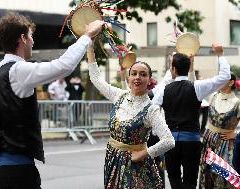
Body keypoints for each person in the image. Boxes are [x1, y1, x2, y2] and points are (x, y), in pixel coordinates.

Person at [0, 11, 104, 189]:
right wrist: (87, 36)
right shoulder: (18, 70)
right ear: (23, 38)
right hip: (17, 168)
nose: (33, 41)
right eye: (31, 36)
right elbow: (63, 66)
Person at [87, 45, 175, 188]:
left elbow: (169, 141)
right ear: (128, 77)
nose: (137, 77)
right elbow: (96, 79)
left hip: (135, 165)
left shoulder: (151, 109)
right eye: (134, 73)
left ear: (149, 80)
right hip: (113, 159)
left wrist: (143, 154)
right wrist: (90, 48)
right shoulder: (119, 96)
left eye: (143, 74)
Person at [152, 43, 231, 189]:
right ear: (189, 68)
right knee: (190, 180)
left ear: (173, 69)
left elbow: (153, 111)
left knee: (174, 178)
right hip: (191, 141)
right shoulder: (197, 87)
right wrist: (220, 54)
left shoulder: (164, 89)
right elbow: (225, 76)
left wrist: (158, 132)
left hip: (170, 141)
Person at [199, 73, 240, 189]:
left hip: (225, 144)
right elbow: (195, 87)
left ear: (231, 83)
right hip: (209, 141)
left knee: (221, 177)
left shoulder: (237, 102)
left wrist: (236, 134)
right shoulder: (213, 96)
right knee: (206, 176)